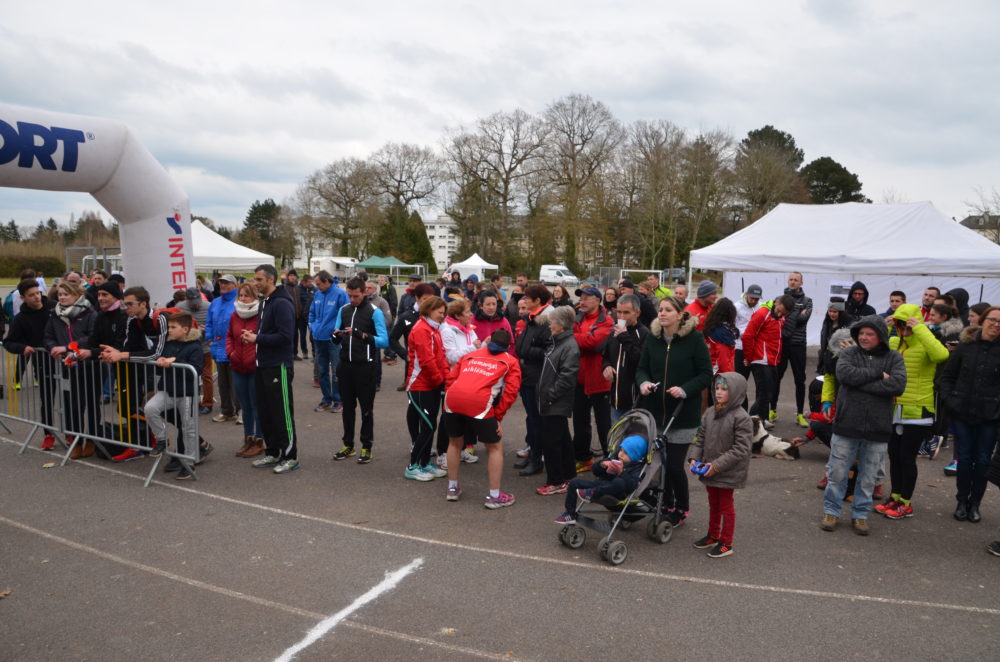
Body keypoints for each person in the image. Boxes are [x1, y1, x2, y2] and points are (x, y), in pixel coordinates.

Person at [821, 316, 906, 535]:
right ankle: (831, 511)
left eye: (870, 334)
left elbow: (898, 385)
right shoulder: (849, 353)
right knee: (837, 473)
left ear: (881, 336)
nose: (864, 337)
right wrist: (878, 375)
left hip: (878, 428)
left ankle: (860, 515)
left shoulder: (894, 357)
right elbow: (845, 375)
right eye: (861, 333)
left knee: (868, 478)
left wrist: (859, 383)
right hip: (846, 425)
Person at [636, 296, 713, 528]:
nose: (662, 313)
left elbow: (706, 374)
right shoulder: (653, 338)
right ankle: (665, 502)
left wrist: (685, 389)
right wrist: (644, 383)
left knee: (674, 466)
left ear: (680, 315)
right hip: (655, 413)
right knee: (657, 464)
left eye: (668, 310)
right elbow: (642, 369)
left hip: (682, 415)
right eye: (660, 309)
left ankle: (681, 507)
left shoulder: (695, 339)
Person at [871, 303, 948, 520]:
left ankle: (906, 502)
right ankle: (895, 497)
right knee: (894, 456)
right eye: (900, 325)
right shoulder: (894, 343)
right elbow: (876, 349)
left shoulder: (926, 343)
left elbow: (942, 355)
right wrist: (885, 326)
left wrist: (920, 328)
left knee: (907, 457)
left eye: (907, 326)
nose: (904, 330)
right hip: (894, 409)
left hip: (918, 410)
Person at [443, 329, 522, 506]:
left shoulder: (470, 355)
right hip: (479, 402)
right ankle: (494, 496)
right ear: (509, 345)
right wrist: (498, 417)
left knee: (454, 442)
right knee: (494, 447)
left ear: (489, 340)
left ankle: (452, 488)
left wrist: (451, 396)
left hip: (452, 399)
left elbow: (451, 378)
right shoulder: (511, 361)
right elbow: (511, 392)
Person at [939, 306, 1000, 523]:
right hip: (962, 412)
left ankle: (975, 503)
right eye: (992, 320)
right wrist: (951, 400)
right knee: (964, 459)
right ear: (982, 321)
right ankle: (961, 500)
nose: (996, 325)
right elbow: (947, 377)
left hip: (990, 416)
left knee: (983, 460)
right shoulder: (966, 346)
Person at [688, 372, 752, 558]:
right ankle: (713, 535)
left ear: (736, 391)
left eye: (724, 389)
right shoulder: (710, 412)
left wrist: (715, 466)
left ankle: (727, 542)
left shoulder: (741, 417)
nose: (718, 392)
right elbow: (700, 438)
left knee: (726, 506)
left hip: (727, 471)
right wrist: (694, 458)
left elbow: (741, 449)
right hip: (710, 468)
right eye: (716, 388)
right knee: (713, 502)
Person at [244, 264, 300, 474]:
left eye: (259, 279)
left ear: (270, 279)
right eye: (254, 279)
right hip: (263, 365)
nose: (255, 283)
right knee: (265, 411)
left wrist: (257, 338)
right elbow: (266, 333)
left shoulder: (282, 303)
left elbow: (286, 336)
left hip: (279, 366)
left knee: (282, 412)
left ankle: (290, 456)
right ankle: (273, 451)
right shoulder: (265, 302)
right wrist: (254, 338)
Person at [331, 277, 388, 464]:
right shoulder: (343, 310)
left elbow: (384, 341)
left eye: (356, 296)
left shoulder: (374, 312)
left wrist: (361, 335)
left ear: (365, 292)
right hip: (345, 366)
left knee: (366, 410)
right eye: (350, 295)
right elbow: (336, 334)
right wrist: (336, 335)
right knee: (347, 409)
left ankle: (366, 447)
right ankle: (348, 445)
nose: (352, 299)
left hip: (365, 367)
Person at [43, 280, 100, 459]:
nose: (62, 297)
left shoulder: (90, 313)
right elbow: (48, 336)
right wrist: (53, 347)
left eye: (66, 294)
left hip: (90, 367)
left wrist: (68, 347)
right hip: (68, 368)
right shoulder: (55, 314)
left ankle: (92, 440)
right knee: (72, 406)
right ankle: (76, 440)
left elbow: (93, 338)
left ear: (77, 295)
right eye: (60, 294)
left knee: (92, 405)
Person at [144, 312, 204, 480]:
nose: (169, 330)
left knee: (188, 427)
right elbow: (159, 362)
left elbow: (196, 370)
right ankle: (162, 440)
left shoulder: (195, 347)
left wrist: (175, 362)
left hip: (187, 394)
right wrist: (160, 362)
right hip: (167, 390)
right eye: (169, 327)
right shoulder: (168, 344)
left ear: (185, 329)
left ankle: (189, 462)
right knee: (150, 408)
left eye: (173, 327)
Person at [3, 278, 57, 449]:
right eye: (31, 295)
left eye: (38, 293)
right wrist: (23, 347)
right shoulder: (20, 319)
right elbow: (9, 342)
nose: (36, 297)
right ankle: (48, 434)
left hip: (65, 362)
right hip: (43, 364)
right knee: (46, 401)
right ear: (23, 298)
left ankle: (72, 434)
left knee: (71, 400)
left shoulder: (55, 307)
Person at [403, 296, 450, 481]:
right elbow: (426, 361)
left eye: (444, 313)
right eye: (440, 312)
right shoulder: (422, 329)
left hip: (431, 384)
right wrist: (440, 380)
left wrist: (446, 379)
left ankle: (423, 463)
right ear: (429, 310)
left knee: (430, 425)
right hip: (420, 385)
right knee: (428, 426)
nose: (442, 316)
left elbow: (441, 357)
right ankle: (413, 466)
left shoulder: (433, 329)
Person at [555, 433, 648, 525]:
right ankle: (570, 513)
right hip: (599, 486)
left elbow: (632, 486)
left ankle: (592, 493)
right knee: (574, 482)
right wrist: (602, 465)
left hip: (617, 494)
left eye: (626, 453)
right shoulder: (615, 458)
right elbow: (595, 471)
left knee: (619, 482)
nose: (621, 454)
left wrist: (622, 472)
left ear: (635, 456)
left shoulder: (636, 468)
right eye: (621, 450)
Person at [535, 305, 580, 495]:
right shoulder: (558, 342)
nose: (549, 325)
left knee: (551, 443)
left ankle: (556, 481)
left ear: (561, 325)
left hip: (555, 402)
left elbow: (567, 378)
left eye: (552, 322)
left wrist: (549, 396)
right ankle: (569, 477)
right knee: (563, 440)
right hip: (552, 401)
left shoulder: (569, 346)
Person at [571, 286, 614, 471]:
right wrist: (581, 338)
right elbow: (582, 341)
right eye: (581, 298)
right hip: (580, 380)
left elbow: (594, 343)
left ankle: (610, 460)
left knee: (604, 425)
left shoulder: (607, 321)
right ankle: (583, 458)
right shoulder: (578, 318)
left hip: (600, 382)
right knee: (580, 423)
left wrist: (573, 337)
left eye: (587, 298)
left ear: (597, 300)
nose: (582, 301)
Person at [513, 284, 553, 477]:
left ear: (537, 301)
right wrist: (525, 349)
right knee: (531, 419)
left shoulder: (546, 321)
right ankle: (532, 455)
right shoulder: (532, 319)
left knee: (537, 421)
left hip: (537, 377)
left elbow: (550, 351)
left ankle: (537, 459)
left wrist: (527, 350)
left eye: (528, 298)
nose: (524, 300)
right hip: (528, 375)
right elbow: (520, 346)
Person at [741, 296, 793, 425]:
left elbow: (777, 338)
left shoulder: (780, 317)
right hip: (760, 359)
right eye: (779, 311)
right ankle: (749, 423)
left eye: (783, 314)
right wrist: (749, 357)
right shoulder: (762, 313)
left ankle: (762, 420)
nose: (780, 314)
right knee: (765, 394)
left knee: (768, 392)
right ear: (777, 302)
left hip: (772, 360)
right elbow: (747, 336)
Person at [227, 283, 264, 458]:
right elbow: (229, 335)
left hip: (255, 367)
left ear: (254, 297)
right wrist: (230, 353)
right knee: (245, 406)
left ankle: (259, 440)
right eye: (240, 295)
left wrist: (255, 356)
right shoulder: (235, 314)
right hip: (238, 366)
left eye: (246, 295)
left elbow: (264, 338)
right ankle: (248, 439)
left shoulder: (261, 314)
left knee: (257, 405)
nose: (242, 299)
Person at [772, 272, 812, 427]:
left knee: (799, 380)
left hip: (798, 344)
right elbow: (776, 317)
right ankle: (772, 410)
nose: (793, 282)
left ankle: (800, 414)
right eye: (791, 279)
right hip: (782, 343)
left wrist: (787, 313)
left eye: (796, 280)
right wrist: (796, 312)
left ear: (801, 283)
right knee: (776, 377)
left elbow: (803, 319)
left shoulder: (807, 301)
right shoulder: (778, 299)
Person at [602, 293, 648, 424]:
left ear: (637, 313)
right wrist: (606, 367)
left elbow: (641, 362)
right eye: (619, 312)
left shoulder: (644, 334)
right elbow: (605, 356)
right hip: (615, 401)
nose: (621, 316)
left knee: (633, 436)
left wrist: (625, 338)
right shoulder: (614, 332)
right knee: (616, 436)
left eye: (626, 312)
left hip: (636, 403)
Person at [309, 271, 348, 413]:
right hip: (318, 338)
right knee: (322, 370)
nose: (317, 286)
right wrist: (312, 327)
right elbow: (312, 313)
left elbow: (346, 314)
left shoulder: (340, 294)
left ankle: (339, 400)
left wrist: (339, 331)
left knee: (336, 370)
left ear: (327, 281)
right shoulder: (318, 294)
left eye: (319, 284)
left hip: (333, 339)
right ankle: (326, 399)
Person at [204, 275, 239, 423]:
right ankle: (227, 411)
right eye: (221, 283)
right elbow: (209, 323)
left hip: (234, 349)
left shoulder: (239, 301)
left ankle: (241, 411)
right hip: (218, 348)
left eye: (226, 283)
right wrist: (210, 339)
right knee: (222, 383)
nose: (223, 285)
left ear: (234, 285)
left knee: (236, 382)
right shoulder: (215, 302)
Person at [176, 287, 213, 415]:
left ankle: (208, 403)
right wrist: (195, 331)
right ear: (187, 299)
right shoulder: (180, 307)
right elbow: (177, 327)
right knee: (189, 375)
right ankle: (191, 402)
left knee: (207, 376)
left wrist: (207, 329)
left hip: (205, 347)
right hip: (188, 348)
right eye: (192, 302)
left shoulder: (209, 306)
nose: (195, 305)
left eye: (197, 301)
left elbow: (214, 325)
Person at [702, 297, 738, 376]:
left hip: (710, 369)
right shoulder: (722, 334)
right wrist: (728, 376)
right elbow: (723, 361)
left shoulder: (711, 327)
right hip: (720, 375)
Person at [733, 285, 762, 381]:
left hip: (756, 347)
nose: (753, 301)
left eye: (756, 299)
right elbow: (731, 326)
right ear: (746, 295)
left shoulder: (761, 307)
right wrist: (743, 333)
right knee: (740, 378)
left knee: (759, 379)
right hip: (741, 347)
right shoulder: (736, 307)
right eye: (752, 298)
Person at [817, 298, 851, 376]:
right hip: (827, 360)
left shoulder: (848, 324)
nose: (832, 314)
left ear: (841, 312)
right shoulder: (827, 322)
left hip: (840, 361)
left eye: (835, 312)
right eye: (830, 311)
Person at [297, 273, 315, 360]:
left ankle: (314, 352)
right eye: (309, 282)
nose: (311, 283)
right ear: (304, 282)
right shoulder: (298, 289)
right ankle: (304, 352)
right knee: (303, 335)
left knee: (313, 334)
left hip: (311, 316)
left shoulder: (313, 288)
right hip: (301, 317)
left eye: (312, 282)